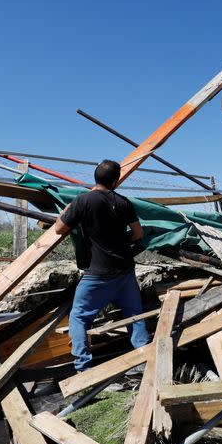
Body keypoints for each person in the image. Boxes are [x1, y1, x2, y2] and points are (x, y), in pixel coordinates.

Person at [54, 159, 150, 372]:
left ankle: (84, 370)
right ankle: (145, 362)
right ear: (116, 181)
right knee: (134, 314)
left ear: (95, 177)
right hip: (124, 270)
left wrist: (67, 210)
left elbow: (59, 229)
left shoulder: (83, 201)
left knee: (79, 317)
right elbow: (138, 234)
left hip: (97, 273)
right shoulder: (124, 203)